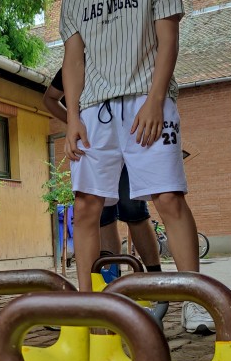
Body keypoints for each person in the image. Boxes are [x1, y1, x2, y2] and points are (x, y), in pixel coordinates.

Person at [59, 0, 213, 334]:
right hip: (94, 111)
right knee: (87, 207)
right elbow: (73, 60)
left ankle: (194, 299)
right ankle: (88, 307)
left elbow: (168, 40)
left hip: (148, 101)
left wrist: (155, 100)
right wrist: (72, 118)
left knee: (167, 198)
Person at [43, 68, 162, 273]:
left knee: (134, 209)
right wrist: (75, 122)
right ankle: (111, 278)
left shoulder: (123, 59)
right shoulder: (77, 62)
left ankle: (155, 276)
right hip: (94, 143)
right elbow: (50, 99)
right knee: (101, 214)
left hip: (126, 142)